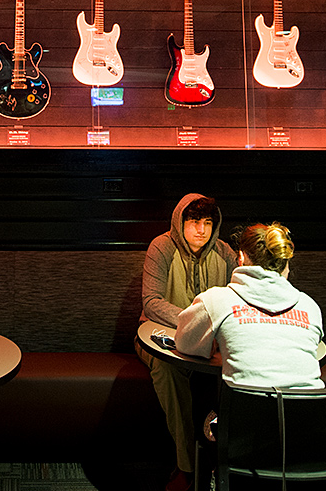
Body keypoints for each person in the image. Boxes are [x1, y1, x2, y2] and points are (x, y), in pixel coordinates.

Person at [139, 193, 237, 491]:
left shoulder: (225, 252)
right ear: (180, 223)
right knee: (167, 370)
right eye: (193, 222)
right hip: (159, 336)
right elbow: (151, 301)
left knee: (242, 367)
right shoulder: (162, 247)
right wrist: (194, 320)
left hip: (211, 343)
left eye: (208, 222)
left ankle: (232, 465)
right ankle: (188, 467)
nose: (201, 230)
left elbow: (239, 298)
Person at [175, 222, 323, 390]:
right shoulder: (310, 307)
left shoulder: (215, 301)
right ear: (285, 261)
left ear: (241, 257)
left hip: (246, 414)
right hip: (311, 412)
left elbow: (184, 344)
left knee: (208, 414)